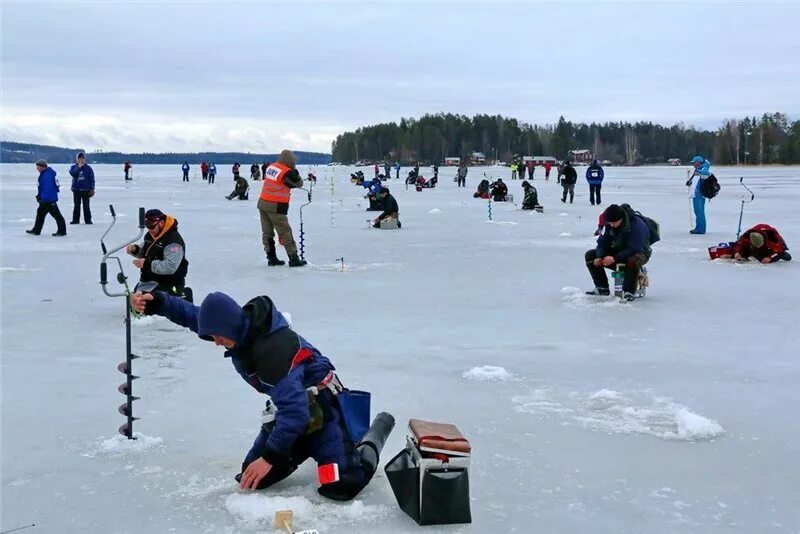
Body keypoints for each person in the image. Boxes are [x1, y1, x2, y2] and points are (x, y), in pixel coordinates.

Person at [127, 289, 395, 500]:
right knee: (251, 479)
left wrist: (270, 457)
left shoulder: (273, 351)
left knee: (342, 486)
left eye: (217, 337)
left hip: (324, 410)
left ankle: (375, 433)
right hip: (291, 410)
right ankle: (298, 448)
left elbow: (295, 413)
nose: (215, 343)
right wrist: (158, 303)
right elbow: (193, 315)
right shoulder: (236, 329)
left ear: (229, 328)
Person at [585, 204, 652, 302]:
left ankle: (628, 291)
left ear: (621, 219)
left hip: (639, 252)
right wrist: (600, 256)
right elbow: (602, 241)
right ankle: (602, 287)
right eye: (609, 223)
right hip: (619, 251)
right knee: (590, 255)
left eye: (614, 223)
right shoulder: (609, 224)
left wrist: (614, 258)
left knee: (633, 259)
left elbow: (634, 248)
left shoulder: (637, 225)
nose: (611, 225)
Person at [126, 209, 191, 300]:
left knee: (144, 303)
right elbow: (146, 252)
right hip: (151, 279)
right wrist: (135, 250)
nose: (150, 230)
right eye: (147, 227)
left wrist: (146, 264)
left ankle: (182, 294)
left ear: (161, 223)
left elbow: (169, 267)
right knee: (134, 301)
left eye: (152, 227)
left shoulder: (173, 242)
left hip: (168, 282)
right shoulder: (150, 235)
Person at [258, 149, 306, 267]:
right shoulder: (286, 172)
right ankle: (293, 258)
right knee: (285, 232)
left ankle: (271, 258)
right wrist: (294, 171)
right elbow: (299, 183)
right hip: (276, 206)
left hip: (263, 203)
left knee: (267, 232)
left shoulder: (271, 167)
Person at [27, 160, 66, 236]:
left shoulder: (47, 175)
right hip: (47, 199)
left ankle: (62, 231)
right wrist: (40, 196)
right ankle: (36, 230)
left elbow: (48, 188)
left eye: (38, 167)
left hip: (48, 200)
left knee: (57, 216)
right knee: (41, 214)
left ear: (43, 167)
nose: (37, 169)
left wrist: (43, 199)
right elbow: (43, 188)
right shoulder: (45, 174)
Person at [686, 155, 711, 234]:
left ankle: (701, 229)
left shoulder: (703, 168)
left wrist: (698, 172)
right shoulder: (698, 169)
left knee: (699, 212)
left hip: (699, 194)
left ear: (698, 163)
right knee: (698, 212)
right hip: (697, 194)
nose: (693, 164)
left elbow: (706, 173)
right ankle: (698, 227)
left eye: (694, 163)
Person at [69, 152, 95, 224]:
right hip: (76, 190)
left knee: (86, 206)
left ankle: (88, 220)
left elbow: (92, 179)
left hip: (86, 190)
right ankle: (75, 220)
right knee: (76, 206)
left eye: (82, 158)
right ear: (77, 160)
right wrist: (78, 167)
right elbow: (73, 174)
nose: (81, 160)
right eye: (79, 158)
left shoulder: (88, 168)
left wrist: (92, 188)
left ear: (84, 159)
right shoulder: (73, 167)